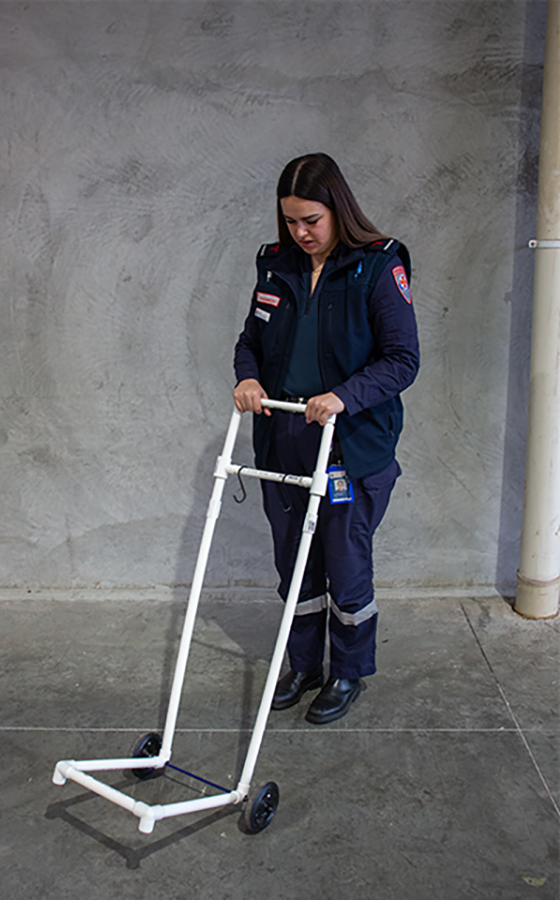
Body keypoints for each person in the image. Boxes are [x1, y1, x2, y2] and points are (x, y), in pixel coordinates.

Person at [233, 152, 419, 724]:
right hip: (284, 435)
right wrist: (247, 377)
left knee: (345, 562)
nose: (301, 233)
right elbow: (250, 341)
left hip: (349, 442)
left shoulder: (377, 265)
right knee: (295, 563)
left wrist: (344, 395)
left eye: (311, 220)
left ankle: (348, 672)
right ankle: (304, 665)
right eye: (290, 221)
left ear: (338, 209)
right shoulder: (276, 266)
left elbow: (402, 359)